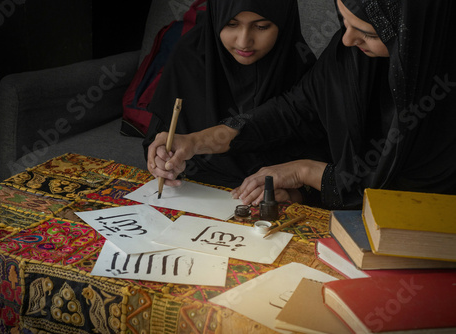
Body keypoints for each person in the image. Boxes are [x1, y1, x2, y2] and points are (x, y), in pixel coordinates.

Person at [148, 0, 456, 209]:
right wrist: (195, 141)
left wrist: (304, 172)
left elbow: (399, 201)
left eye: (366, 32)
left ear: (411, 36)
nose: (347, 40)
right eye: (343, 22)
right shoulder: (351, 57)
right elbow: (290, 111)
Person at [143, 0, 317, 188]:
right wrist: (161, 161)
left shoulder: (302, 68)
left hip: (268, 197)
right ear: (215, 18)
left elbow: (323, 160)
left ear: (284, 22)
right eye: (231, 24)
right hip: (191, 190)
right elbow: (159, 136)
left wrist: (295, 193)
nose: (243, 41)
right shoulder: (190, 56)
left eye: (261, 26)